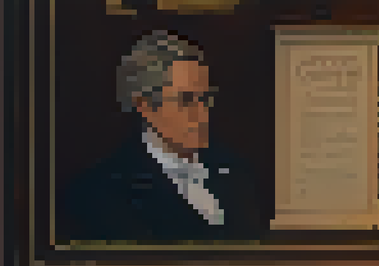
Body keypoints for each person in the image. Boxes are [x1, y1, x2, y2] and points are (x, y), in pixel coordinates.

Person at [63, 31, 264, 242]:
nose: (203, 113)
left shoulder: (235, 171)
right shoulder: (102, 190)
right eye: (186, 101)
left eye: (205, 99)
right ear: (145, 107)